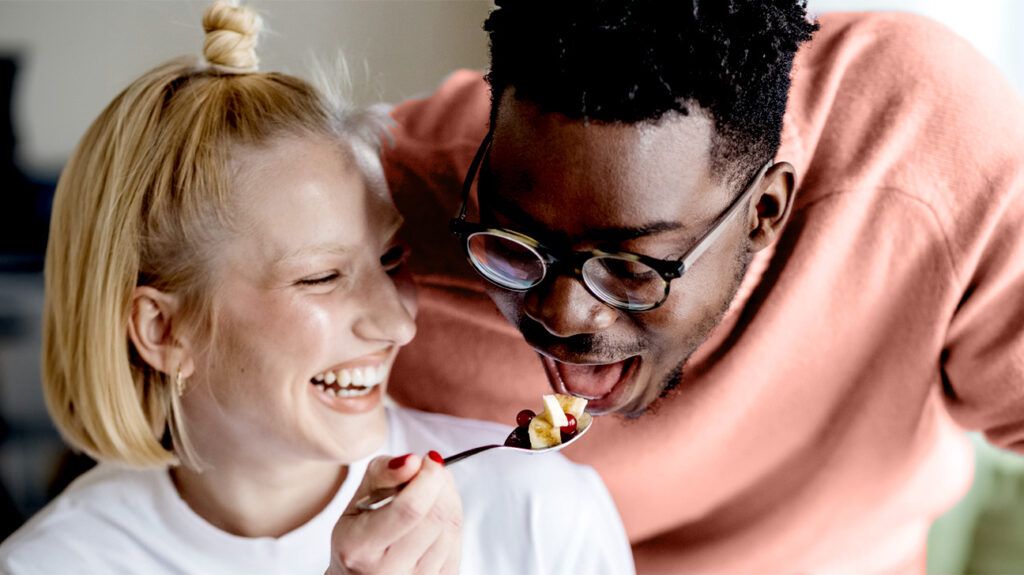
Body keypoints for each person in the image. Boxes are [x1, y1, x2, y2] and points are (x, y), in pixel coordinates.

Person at [381, 0, 1024, 572]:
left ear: (765, 211)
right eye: (516, 243)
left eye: (630, 267)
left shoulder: (926, 145)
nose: (562, 314)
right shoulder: (364, 220)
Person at [0, 2, 635, 574]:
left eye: (390, 259)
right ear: (163, 331)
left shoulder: (541, 516)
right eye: (322, 277)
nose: (397, 323)